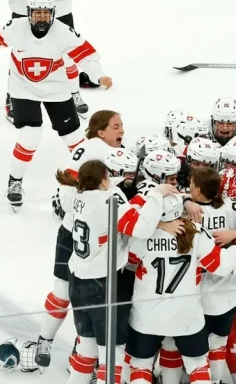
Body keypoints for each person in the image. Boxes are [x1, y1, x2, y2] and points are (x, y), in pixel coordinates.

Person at [0, 0, 112, 209]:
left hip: (56, 90)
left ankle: (92, 182)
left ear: (53, 13)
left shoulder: (65, 32)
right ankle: (15, 182)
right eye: (37, 13)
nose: (41, 18)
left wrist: (99, 75)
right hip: (23, 89)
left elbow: (87, 57)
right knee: (31, 135)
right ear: (29, 13)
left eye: (46, 13)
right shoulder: (15, 28)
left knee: (75, 140)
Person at [57, 160, 182, 384]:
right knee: (111, 356)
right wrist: (155, 194)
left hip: (77, 280)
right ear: (104, 179)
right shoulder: (108, 202)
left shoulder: (76, 196)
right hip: (103, 284)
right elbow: (141, 228)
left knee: (86, 350)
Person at [126, 195, 236, 384]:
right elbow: (221, 266)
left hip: (146, 314)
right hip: (186, 314)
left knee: (140, 365)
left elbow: (126, 259)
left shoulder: (142, 235)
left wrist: (155, 225)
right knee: (197, 365)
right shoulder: (195, 232)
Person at [37, 110, 126, 367]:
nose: (121, 131)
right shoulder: (88, 150)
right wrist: (80, 206)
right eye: (116, 126)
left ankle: (77, 350)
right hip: (77, 232)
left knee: (80, 296)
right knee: (68, 291)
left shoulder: (117, 153)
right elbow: (67, 186)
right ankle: (47, 340)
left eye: (122, 126)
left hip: (95, 235)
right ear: (100, 131)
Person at [181, 167, 236, 383]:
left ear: (197, 189)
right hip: (229, 291)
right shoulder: (234, 208)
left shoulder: (187, 210)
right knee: (218, 342)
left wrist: (186, 202)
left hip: (197, 293)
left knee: (191, 349)